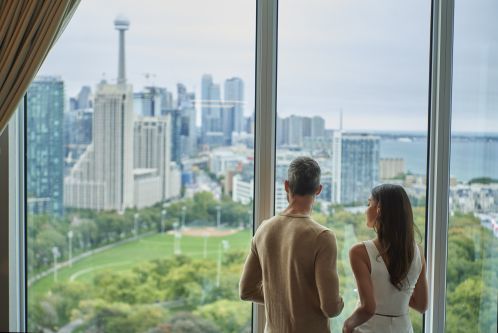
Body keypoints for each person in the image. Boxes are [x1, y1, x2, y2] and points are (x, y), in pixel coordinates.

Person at [240, 156, 344, 333]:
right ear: (318, 190)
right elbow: (330, 308)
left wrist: (282, 296)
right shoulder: (322, 237)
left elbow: (246, 290)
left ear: (287, 186)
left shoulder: (264, 229)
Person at [343, 184, 428, 333]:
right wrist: (396, 301)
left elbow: (368, 308)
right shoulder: (417, 252)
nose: (365, 210)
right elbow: (422, 304)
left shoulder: (359, 252)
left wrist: (347, 325)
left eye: (369, 203)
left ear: (379, 210)